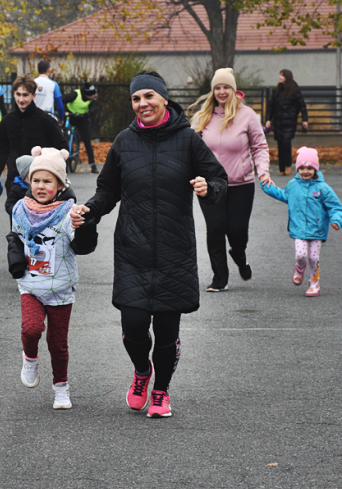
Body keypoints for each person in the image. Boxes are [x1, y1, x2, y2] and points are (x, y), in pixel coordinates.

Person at [70, 71, 227, 419]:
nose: (143, 104)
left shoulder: (187, 140)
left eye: (149, 97)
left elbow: (219, 178)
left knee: (168, 332)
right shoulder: (124, 141)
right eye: (136, 99)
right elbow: (108, 190)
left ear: (163, 99)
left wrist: (208, 187)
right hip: (133, 249)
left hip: (175, 250)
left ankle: (161, 390)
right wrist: (89, 210)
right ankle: (142, 372)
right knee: (135, 325)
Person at [7, 147, 97, 410]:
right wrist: (14, 259)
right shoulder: (20, 209)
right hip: (31, 285)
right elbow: (15, 237)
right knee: (31, 329)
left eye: (48, 181)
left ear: (60, 184)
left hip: (60, 288)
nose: (41, 186)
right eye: (36, 180)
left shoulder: (70, 212)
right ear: (28, 182)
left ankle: (61, 388)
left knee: (58, 344)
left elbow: (83, 247)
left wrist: (84, 225)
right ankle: (30, 358)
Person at [190, 68, 272, 292]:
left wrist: (263, 171)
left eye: (226, 87)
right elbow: (188, 150)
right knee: (215, 228)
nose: (222, 91)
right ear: (213, 91)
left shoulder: (247, 116)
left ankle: (239, 254)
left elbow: (259, 146)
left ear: (234, 90)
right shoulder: (202, 118)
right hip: (210, 186)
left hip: (241, 184)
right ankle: (220, 278)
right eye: (218, 87)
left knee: (236, 230)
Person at [260, 147, 342, 297]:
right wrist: (266, 186)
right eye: (302, 168)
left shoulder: (322, 188)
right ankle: (300, 267)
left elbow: (335, 207)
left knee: (313, 257)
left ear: (316, 170)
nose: (306, 171)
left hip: (317, 231)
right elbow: (284, 195)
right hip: (298, 229)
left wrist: (336, 220)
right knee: (300, 255)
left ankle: (314, 283)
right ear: (297, 168)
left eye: (310, 168)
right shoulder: (293, 185)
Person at [0, 74, 66, 225]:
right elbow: (1, 150)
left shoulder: (46, 121)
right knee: (16, 227)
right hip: (14, 180)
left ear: (33, 95)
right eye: (18, 94)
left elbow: (62, 147)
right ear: (13, 94)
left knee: (40, 227)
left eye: (25, 95)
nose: (21, 99)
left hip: (40, 183)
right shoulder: (7, 121)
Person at [265, 69, 308, 176]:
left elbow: (302, 105)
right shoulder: (277, 90)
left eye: (282, 75)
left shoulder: (294, 90)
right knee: (280, 145)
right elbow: (271, 105)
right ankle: (281, 168)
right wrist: (268, 119)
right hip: (278, 122)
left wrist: (304, 119)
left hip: (289, 122)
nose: (280, 77)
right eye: (280, 75)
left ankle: (288, 165)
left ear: (287, 77)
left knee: (286, 143)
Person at [62, 82, 99, 173]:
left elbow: (93, 109)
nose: (95, 95)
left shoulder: (92, 100)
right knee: (62, 136)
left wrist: (87, 114)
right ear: (87, 95)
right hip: (70, 116)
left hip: (82, 118)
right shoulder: (75, 94)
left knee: (87, 140)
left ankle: (92, 164)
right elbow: (63, 99)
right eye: (93, 94)